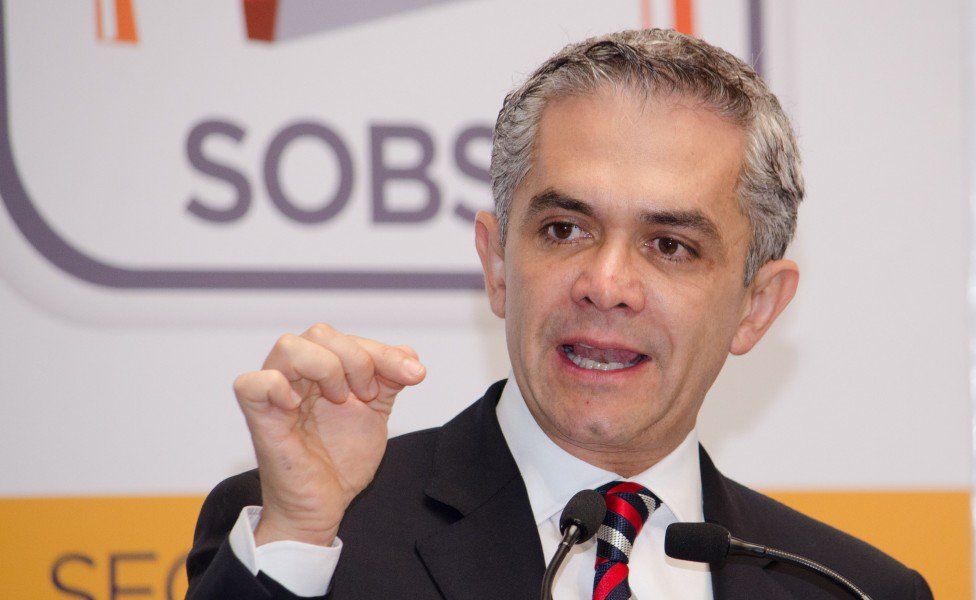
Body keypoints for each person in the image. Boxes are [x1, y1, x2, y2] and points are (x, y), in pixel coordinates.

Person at [185, 29, 933, 599]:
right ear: (497, 264)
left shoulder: (851, 589)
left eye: (670, 246)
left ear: (756, 307)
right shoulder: (317, 529)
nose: (606, 285)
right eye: (565, 229)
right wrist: (296, 543)